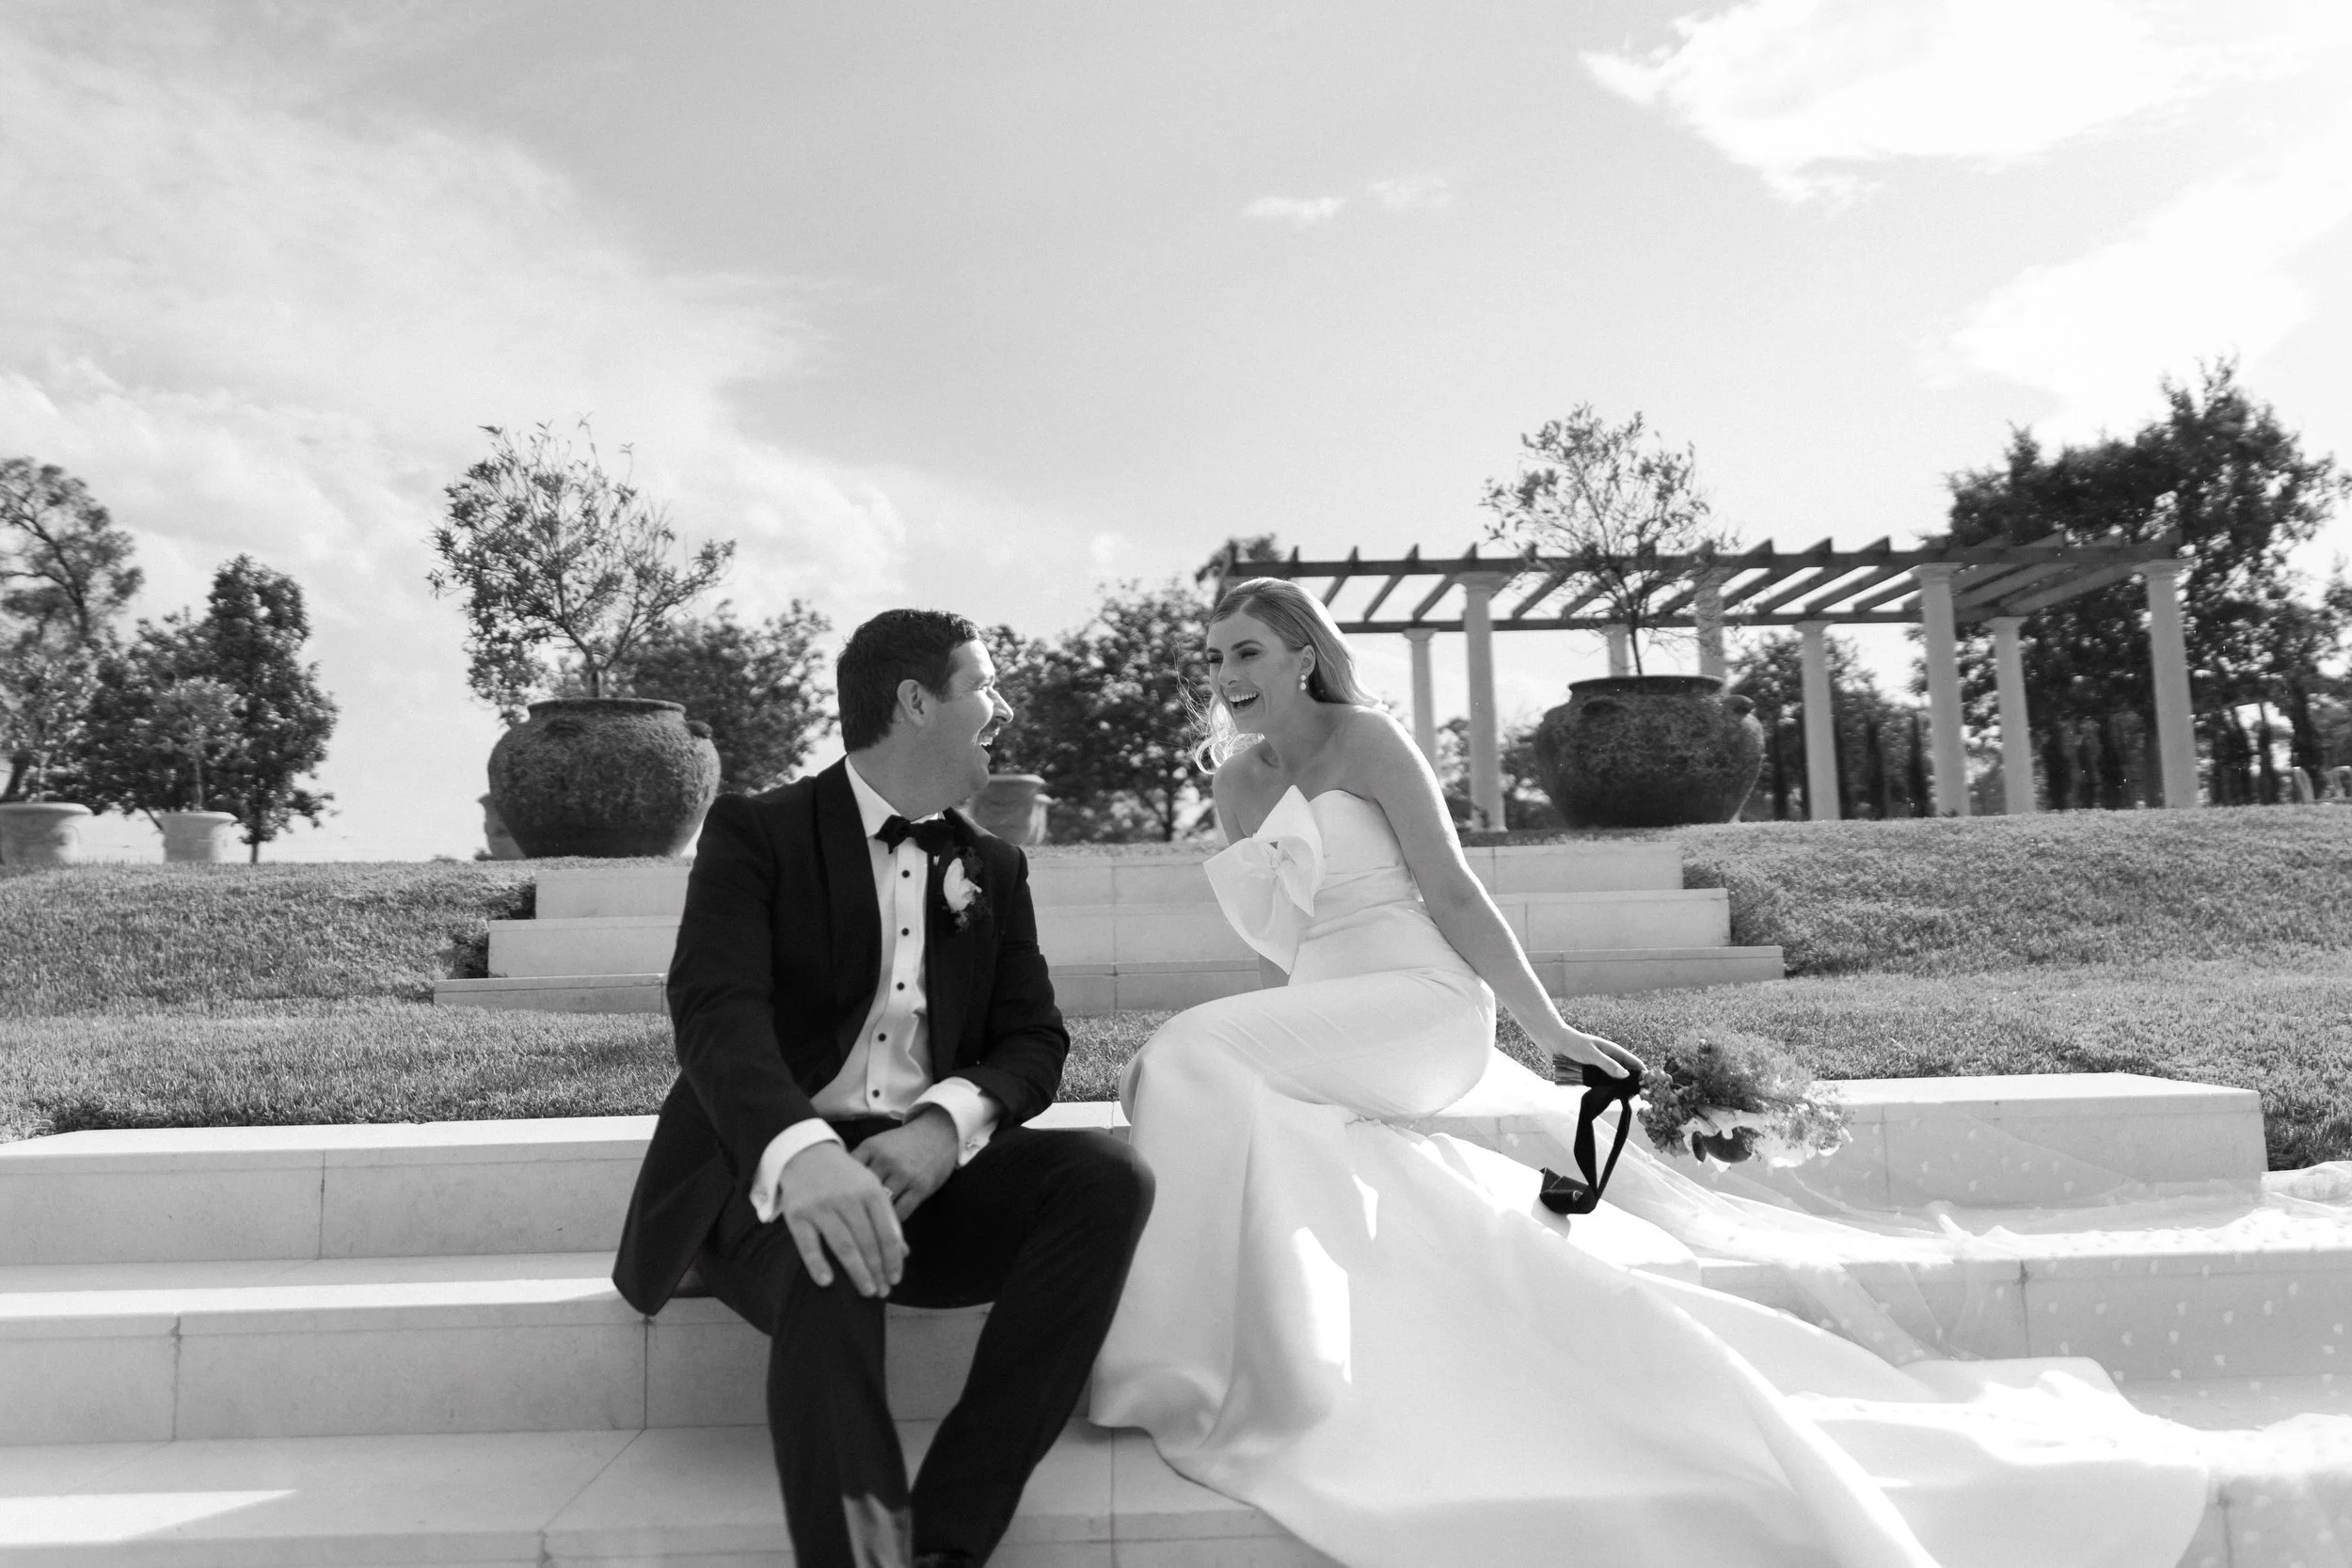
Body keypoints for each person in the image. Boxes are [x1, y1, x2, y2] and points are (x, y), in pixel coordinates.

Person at [1089, 578, 2210, 1568]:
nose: (1228, 674)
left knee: (1181, 1051)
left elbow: (1457, 895)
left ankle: (1167, 1365)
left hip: (1425, 1005)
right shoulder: (1237, 788)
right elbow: (1287, 952)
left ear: (1299, 653)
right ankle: (1271, 1358)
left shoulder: (1370, 742)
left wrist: (1549, 1029)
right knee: (1195, 1080)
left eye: (1247, 650)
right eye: (1216, 655)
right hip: (1331, 1004)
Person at [613, 608, 1153, 1568]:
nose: (1003, 706)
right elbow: (714, 1010)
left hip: (919, 1175)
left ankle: (944, 1542)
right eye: (984, 685)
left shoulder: (994, 864)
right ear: (914, 700)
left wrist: (946, 1123)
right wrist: (807, 1153)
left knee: (1108, 1178)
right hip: (759, 1176)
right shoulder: (758, 831)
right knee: (831, 1252)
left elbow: (1034, 1038)